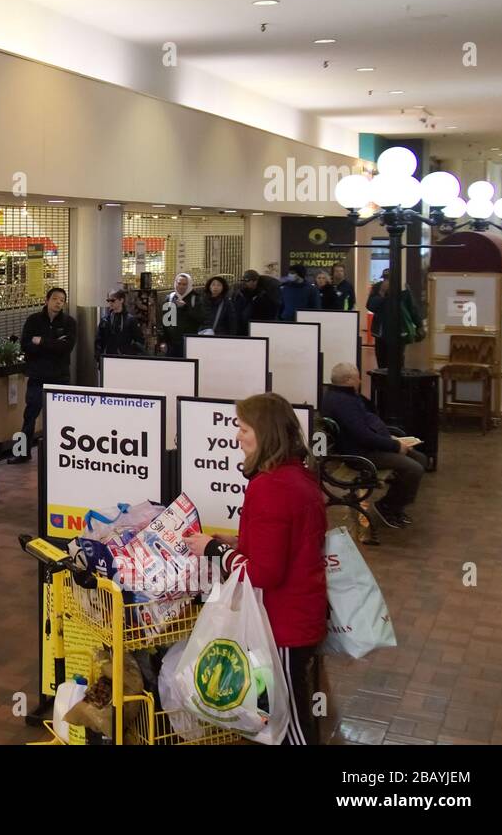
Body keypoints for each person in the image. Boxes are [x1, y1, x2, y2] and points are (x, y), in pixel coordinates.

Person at [184, 392, 326, 746]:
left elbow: (264, 573)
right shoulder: (299, 477)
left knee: (290, 722)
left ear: (265, 434)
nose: (237, 436)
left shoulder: (270, 488)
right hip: (301, 613)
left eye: (243, 428)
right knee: (289, 712)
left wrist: (213, 549)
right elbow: (286, 543)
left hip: (283, 625)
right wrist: (237, 542)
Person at [320, 362, 427, 528]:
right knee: (414, 467)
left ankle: (394, 503)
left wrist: (388, 438)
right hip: (360, 454)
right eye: (357, 378)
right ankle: (388, 506)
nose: (360, 381)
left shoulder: (341, 396)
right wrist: (395, 446)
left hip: (365, 447)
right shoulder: (344, 403)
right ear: (348, 380)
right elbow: (363, 436)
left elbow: (367, 424)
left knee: (419, 459)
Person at [10, 287, 77, 464]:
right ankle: (23, 452)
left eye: (62, 300)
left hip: (60, 377)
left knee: (60, 417)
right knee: (30, 415)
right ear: (47, 300)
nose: (58, 303)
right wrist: (52, 345)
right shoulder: (33, 320)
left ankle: (60, 453)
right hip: (37, 375)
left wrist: (41, 342)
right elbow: (26, 344)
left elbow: (66, 348)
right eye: (55, 299)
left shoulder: (69, 323)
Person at [159, 273, 202, 357]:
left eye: (184, 284)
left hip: (189, 343)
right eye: (179, 283)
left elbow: (199, 318)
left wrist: (185, 307)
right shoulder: (170, 298)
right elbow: (165, 322)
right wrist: (163, 341)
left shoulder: (195, 298)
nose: (181, 286)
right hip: (172, 344)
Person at [95, 289, 146, 358]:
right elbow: (98, 341)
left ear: (121, 300)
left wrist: (130, 354)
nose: (110, 303)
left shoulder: (130, 320)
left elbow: (139, 341)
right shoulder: (105, 320)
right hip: (107, 359)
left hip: (125, 360)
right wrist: (99, 357)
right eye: (108, 300)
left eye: (113, 300)